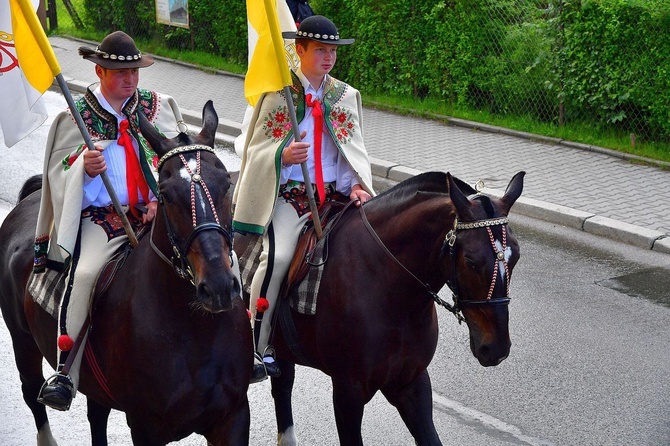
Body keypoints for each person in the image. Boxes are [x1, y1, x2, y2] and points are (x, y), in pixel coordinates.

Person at [32, 31, 183, 410]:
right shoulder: (75, 117)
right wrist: (81, 167)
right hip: (103, 218)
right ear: (99, 71)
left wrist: (155, 201)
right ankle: (67, 372)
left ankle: (240, 340)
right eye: (119, 73)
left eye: (134, 72)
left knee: (211, 253)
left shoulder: (159, 106)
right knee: (84, 275)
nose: (129, 80)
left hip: (154, 212)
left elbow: (178, 159)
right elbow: (56, 173)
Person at [232, 15, 375, 382]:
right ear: (300, 50)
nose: (328, 58)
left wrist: (358, 185)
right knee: (278, 257)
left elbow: (350, 151)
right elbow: (256, 150)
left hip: (336, 198)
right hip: (291, 197)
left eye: (333, 52)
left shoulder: (345, 96)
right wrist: (282, 155)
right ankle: (255, 346)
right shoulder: (279, 96)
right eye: (321, 50)